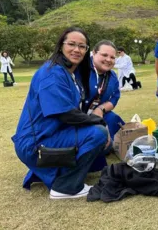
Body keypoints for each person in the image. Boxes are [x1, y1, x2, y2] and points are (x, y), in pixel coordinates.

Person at [12, 27, 109, 199]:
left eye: (82, 46)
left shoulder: (68, 72)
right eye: (71, 44)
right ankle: (66, 187)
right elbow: (65, 114)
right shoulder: (52, 73)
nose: (77, 50)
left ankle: (61, 174)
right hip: (36, 143)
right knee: (98, 133)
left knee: (98, 130)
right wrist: (98, 122)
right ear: (60, 46)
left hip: (48, 135)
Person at [84, 40, 124, 153]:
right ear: (94, 53)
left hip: (100, 115)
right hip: (78, 117)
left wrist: (101, 109)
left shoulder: (112, 76)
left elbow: (115, 97)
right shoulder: (81, 70)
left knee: (114, 119)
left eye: (112, 57)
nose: (108, 60)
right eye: (104, 55)